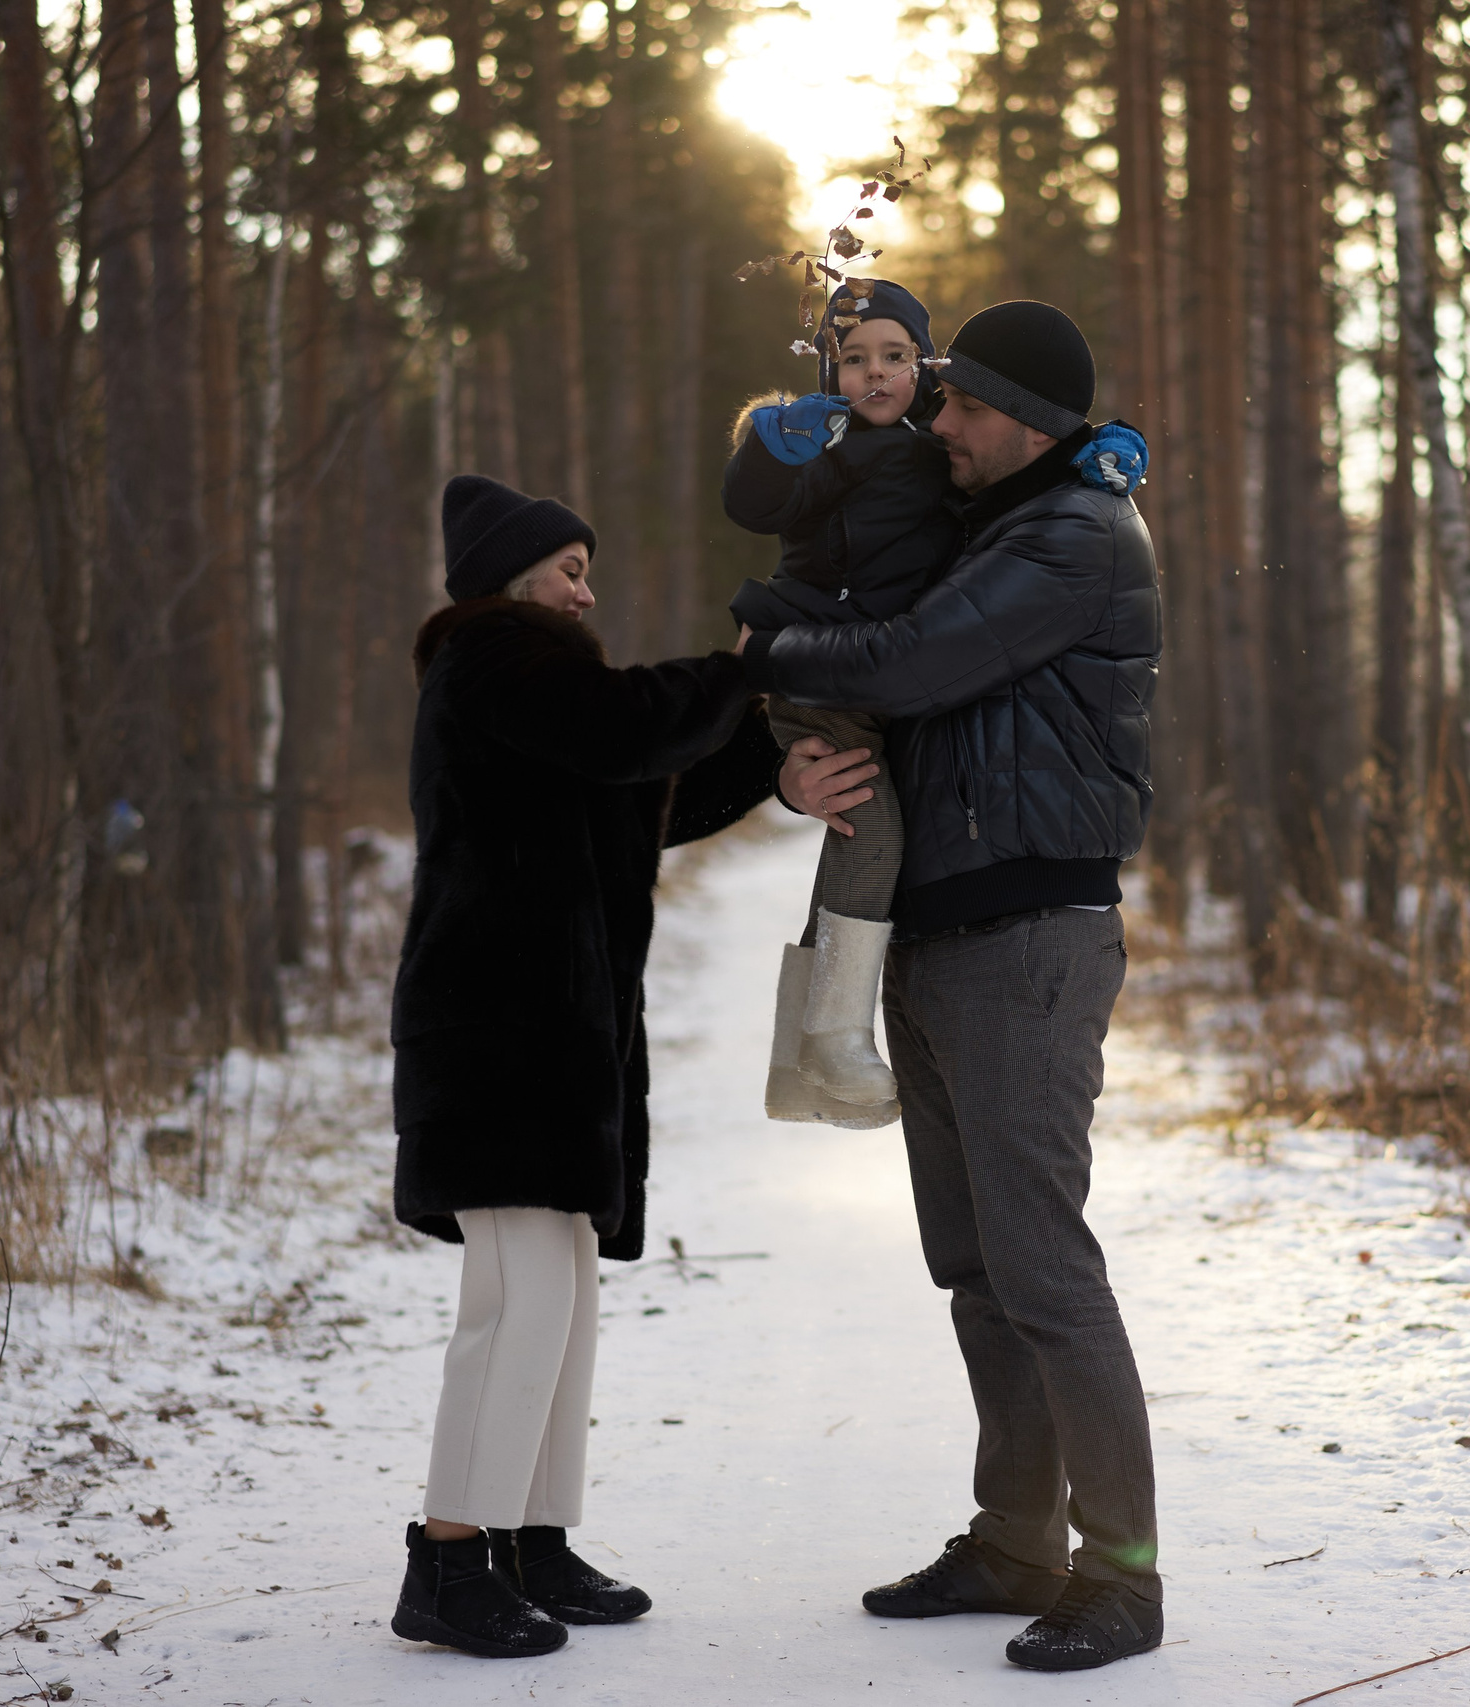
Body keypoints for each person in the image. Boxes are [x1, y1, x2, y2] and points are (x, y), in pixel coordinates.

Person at [744, 301, 1165, 1672]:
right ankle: (1014, 1536)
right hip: (940, 935)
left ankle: (1124, 1570)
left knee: (1044, 1265)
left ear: (1025, 418)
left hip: (1029, 936)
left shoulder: (1071, 535)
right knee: (977, 1267)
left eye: (961, 406)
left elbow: (909, 660)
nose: (938, 422)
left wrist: (757, 659)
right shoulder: (992, 516)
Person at [387, 473, 780, 1659]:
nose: (586, 587)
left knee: (559, 1303)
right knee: (521, 1307)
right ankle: (450, 1563)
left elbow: (638, 791)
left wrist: (767, 756)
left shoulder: (533, 694)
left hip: (546, 1043)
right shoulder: (491, 654)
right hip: (497, 1041)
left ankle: (531, 1538)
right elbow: (630, 726)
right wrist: (744, 664)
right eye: (570, 568)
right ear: (512, 579)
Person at [722, 278, 959, 1122]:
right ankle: (835, 1036)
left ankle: (804, 1059)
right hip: (812, 654)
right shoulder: (818, 442)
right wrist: (768, 443)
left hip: (880, 668)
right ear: (833, 372)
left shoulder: (943, 443)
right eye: (854, 359)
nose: (876, 374)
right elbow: (751, 503)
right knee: (873, 824)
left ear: (925, 365)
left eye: (896, 356)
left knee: (859, 835)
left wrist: (1077, 455)